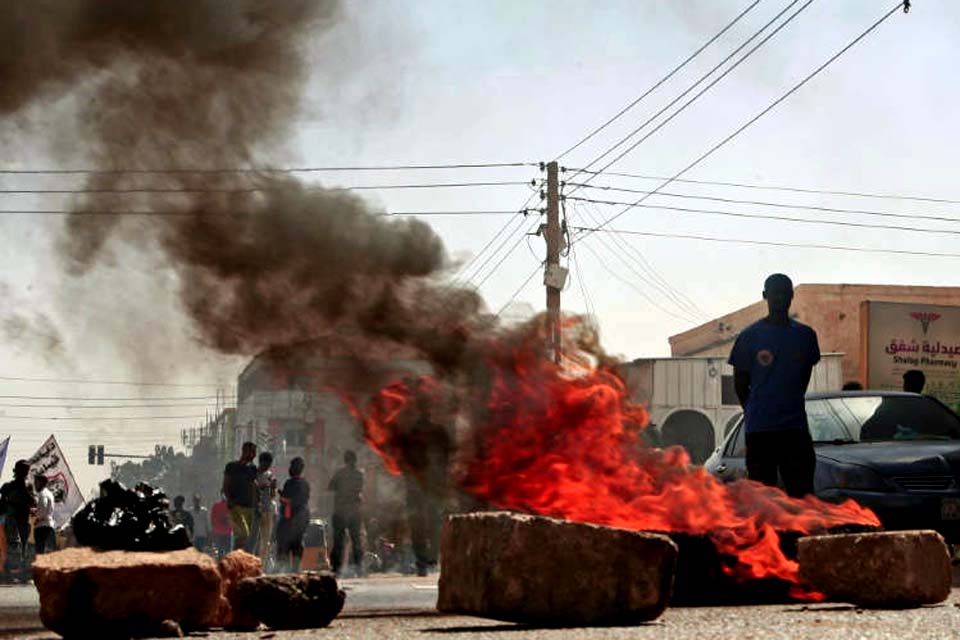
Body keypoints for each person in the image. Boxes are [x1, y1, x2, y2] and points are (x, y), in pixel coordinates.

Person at [729, 274, 821, 498]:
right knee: (763, 496)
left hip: (794, 428)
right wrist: (754, 411)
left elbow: (803, 377)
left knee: (802, 493)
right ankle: (764, 534)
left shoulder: (805, 336)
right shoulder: (749, 337)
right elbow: (740, 383)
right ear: (765, 296)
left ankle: (804, 533)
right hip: (761, 431)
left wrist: (789, 403)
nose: (780, 298)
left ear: (791, 296)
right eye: (774, 293)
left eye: (784, 293)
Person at [403, 385, 452, 576]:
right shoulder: (438, 431)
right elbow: (447, 458)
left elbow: (404, 460)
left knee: (423, 522)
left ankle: (424, 560)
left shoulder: (414, 432)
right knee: (432, 522)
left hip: (423, 484)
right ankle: (429, 559)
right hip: (427, 484)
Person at [328, 450, 365, 577]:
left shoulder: (339, 473)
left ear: (345, 460)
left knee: (339, 541)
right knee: (356, 540)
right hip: (354, 511)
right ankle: (358, 567)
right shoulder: (359, 474)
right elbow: (360, 489)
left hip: (340, 511)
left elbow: (331, 487)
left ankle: (336, 568)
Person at [0, 461, 35, 582]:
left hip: (23, 522)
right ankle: (7, 575)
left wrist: (23, 488)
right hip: (10, 521)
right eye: (23, 470)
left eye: (26, 471)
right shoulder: (8, 486)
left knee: (23, 548)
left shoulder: (28, 486)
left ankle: (22, 575)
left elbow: (33, 502)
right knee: (9, 548)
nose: (25, 473)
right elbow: (2, 504)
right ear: (16, 471)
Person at [276, 457, 310, 573]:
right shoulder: (305, 483)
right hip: (301, 517)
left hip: (291, 518)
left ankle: (286, 569)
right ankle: (295, 568)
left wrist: (282, 497)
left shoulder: (290, 483)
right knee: (297, 542)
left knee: (286, 542)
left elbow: (288, 500)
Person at [223, 441, 257, 551]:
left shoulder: (252, 469)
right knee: (242, 535)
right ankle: (234, 561)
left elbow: (253, 487)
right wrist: (229, 501)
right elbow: (225, 485)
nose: (253, 455)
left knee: (247, 539)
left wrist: (256, 505)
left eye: (254, 452)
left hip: (250, 508)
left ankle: (239, 561)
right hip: (235, 507)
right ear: (244, 451)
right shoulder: (232, 467)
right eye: (251, 452)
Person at [253, 451, 277, 564]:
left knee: (266, 540)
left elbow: (272, 496)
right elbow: (252, 489)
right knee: (253, 539)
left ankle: (260, 564)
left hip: (267, 510)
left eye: (269, 465)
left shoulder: (270, 475)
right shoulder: (254, 474)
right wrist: (263, 486)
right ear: (261, 462)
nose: (267, 467)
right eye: (265, 464)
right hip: (255, 510)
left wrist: (273, 488)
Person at [32, 475, 55, 555]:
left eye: (36, 482)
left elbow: (43, 509)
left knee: (40, 553)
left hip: (42, 527)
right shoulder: (49, 493)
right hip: (48, 525)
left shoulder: (42, 494)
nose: (34, 484)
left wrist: (37, 517)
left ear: (41, 483)